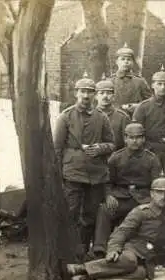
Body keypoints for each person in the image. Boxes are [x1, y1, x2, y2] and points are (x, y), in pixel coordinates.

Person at [65, 174, 165, 280]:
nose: (163, 196)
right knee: (130, 261)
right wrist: (113, 249)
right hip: (132, 250)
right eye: (159, 192)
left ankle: (86, 279)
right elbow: (121, 232)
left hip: (147, 258)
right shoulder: (141, 212)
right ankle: (81, 268)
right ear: (152, 194)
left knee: (141, 274)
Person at [53, 73, 115, 259]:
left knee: (90, 214)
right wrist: (59, 175)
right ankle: (68, 251)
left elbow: (112, 144)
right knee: (71, 212)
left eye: (89, 92)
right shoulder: (65, 117)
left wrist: (100, 148)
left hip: (96, 174)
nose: (86, 96)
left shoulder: (102, 117)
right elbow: (57, 148)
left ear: (95, 95)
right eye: (82, 92)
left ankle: (84, 250)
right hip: (72, 172)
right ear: (76, 93)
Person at [92, 122, 162, 257]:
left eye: (138, 137)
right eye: (131, 137)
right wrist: (108, 196)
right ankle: (99, 248)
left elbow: (156, 183)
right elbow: (107, 181)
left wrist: (152, 201)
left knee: (154, 215)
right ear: (125, 138)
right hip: (121, 197)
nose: (135, 141)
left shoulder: (151, 159)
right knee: (104, 209)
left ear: (144, 139)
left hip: (144, 198)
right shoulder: (115, 158)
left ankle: (152, 253)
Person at [111, 43, 152, 115]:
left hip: (134, 117)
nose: (126, 62)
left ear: (133, 62)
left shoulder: (140, 81)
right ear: (117, 62)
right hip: (114, 118)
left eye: (129, 59)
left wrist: (138, 106)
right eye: (123, 59)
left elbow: (150, 102)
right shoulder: (110, 81)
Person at [95, 75, 131, 150]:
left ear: (113, 97)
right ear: (96, 96)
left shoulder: (122, 117)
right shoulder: (89, 115)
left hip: (115, 157)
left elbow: (127, 144)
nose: (105, 96)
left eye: (108, 93)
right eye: (101, 93)